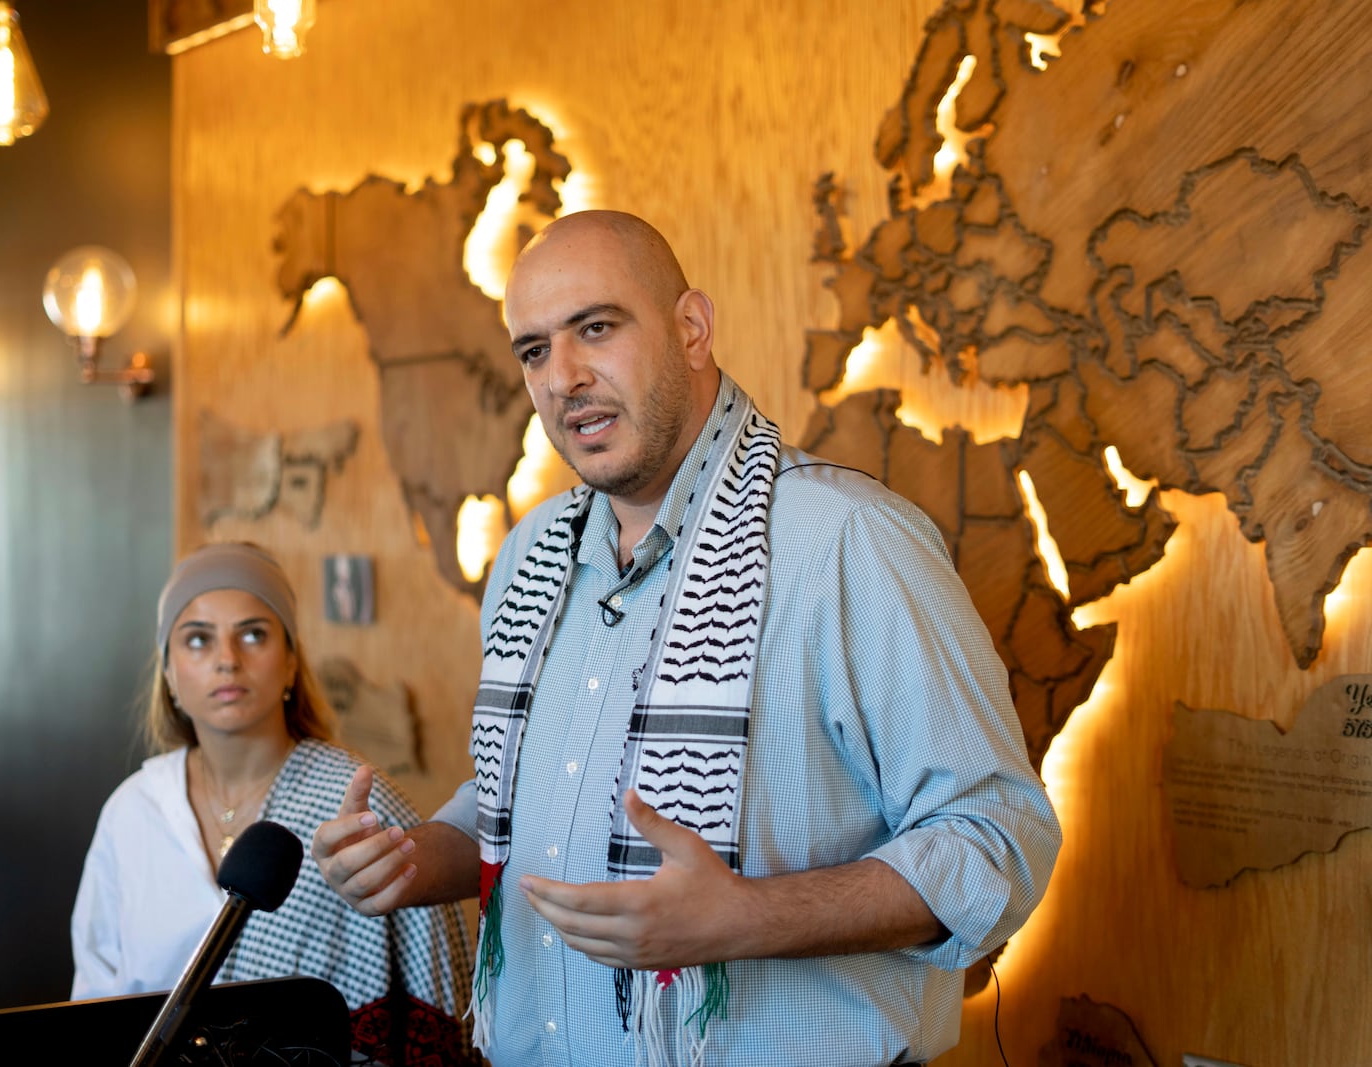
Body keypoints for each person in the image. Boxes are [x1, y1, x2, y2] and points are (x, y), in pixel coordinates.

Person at [312, 211, 1062, 1066]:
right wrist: (414, 862)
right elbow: (520, 799)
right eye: (533, 350)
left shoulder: (847, 542)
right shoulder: (527, 557)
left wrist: (745, 917)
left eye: (596, 327)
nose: (563, 377)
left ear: (692, 327)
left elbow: (996, 838)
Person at [70, 541, 471, 1025]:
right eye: (198, 639)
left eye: (254, 635)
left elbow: (431, 1010)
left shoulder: (357, 812)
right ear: (170, 674)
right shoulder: (131, 812)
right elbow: (92, 997)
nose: (227, 659)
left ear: (290, 662)